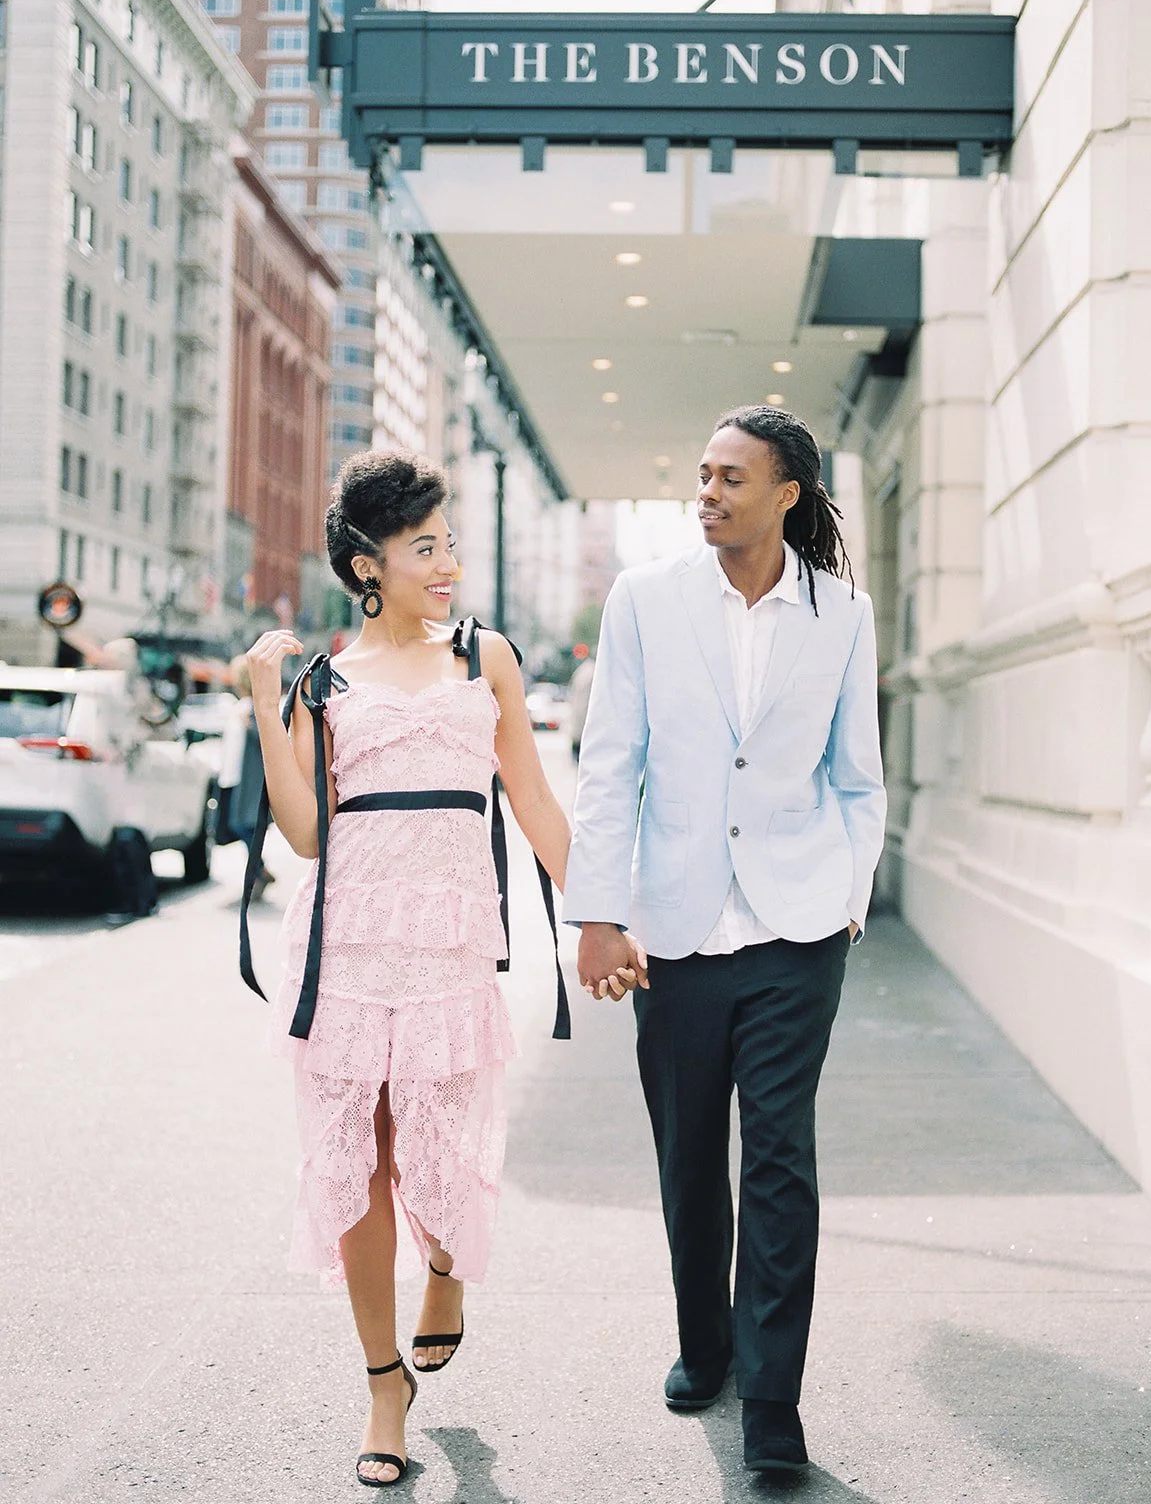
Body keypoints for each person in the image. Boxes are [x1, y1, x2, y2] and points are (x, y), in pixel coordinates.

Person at [246, 448, 642, 1489]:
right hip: (345, 949)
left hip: (447, 947)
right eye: (425, 546)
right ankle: (384, 1386)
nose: (447, 563)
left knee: (441, 1141)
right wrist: (260, 698)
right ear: (366, 564)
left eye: (449, 541)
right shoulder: (324, 681)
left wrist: (600, 918)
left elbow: (536, 802)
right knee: (359, 1161)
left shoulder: (485, 658)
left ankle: (447, 1271)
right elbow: (302, 835)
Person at [564, 405, 887, 1476]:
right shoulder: (646, 601)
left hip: (799, 927)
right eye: (699, 475)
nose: (706, 493)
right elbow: (610, 763)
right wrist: (598, 915)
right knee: (690, 1152)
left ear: (786, 491)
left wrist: (847, 896)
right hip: (676, 929)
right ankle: (704, 1343)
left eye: (729, 477)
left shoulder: (841, 612)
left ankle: (772, 1400)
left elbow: (857, 776)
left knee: (780, 1158)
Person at [217, 654, 271, 899]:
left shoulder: (255, 707)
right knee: (237, 825)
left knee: (242, 825)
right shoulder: (239, 706)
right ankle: (259, 871)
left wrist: (249, 725)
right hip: (235, 777)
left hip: (249, 780)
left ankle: (258, 872)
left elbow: (264, 740)